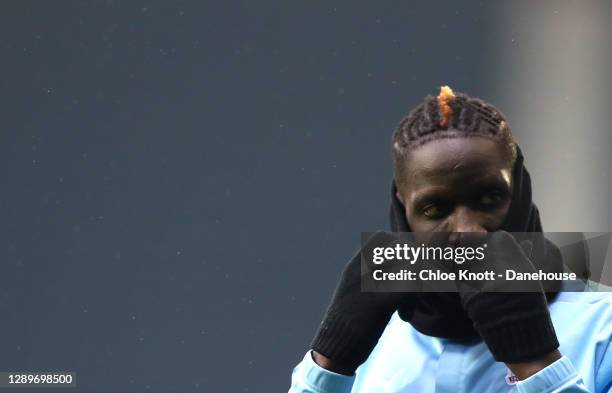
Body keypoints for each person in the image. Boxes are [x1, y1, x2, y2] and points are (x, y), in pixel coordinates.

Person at [287, 86, 612, 392]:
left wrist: (536, 361)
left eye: (489, 199)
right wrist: (329, 363)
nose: (468, 232)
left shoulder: (603, 327)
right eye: (435, 209)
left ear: (520, 189)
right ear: (404, 211)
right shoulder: (373, 340)